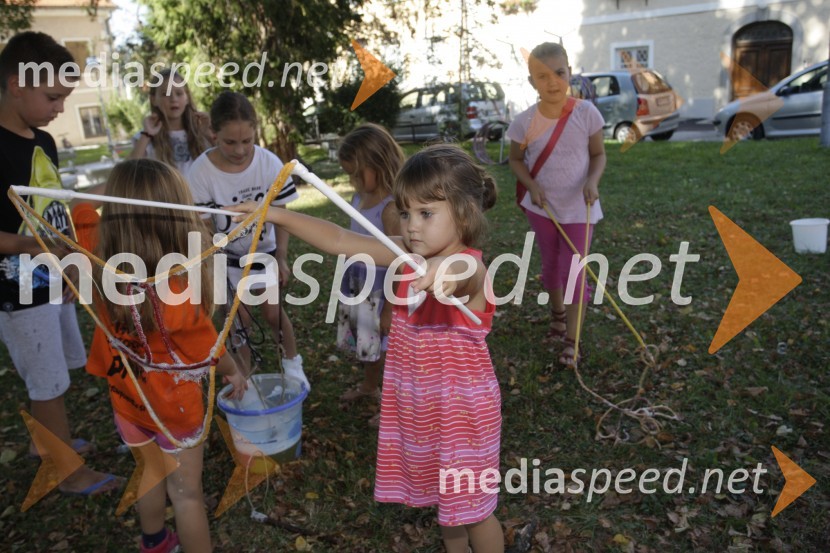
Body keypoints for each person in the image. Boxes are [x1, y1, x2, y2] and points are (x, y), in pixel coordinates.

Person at [228, 144, 504, 553]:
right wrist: (275, 213)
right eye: (407, 212)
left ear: (464, 212)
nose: (411, 225)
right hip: (420, 410)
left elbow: (462, 274)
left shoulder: (469, 268)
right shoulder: (405, 257)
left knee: (474, 510)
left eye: (426, 214)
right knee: (446, 510)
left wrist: (440, 272)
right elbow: (341, 239)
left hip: (462, 416)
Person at [84, 159, 247, 553]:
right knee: (186, 494)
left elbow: (81, 212)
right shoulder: (179, 294)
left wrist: (105, 200)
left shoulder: (92, 261)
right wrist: (235, 373)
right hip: (175, 412)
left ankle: (154, 541)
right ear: (178, 219)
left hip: (127, 403)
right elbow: (211, 353)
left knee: (150, 472)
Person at [0, 31, 121, 495]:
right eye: (52, 97)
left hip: (51, 277)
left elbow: (55, 210)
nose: (59, 108)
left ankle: (44, 446)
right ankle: (67, 471)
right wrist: (33, 250)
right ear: (16, 83)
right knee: (47, 379)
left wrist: (68, 263)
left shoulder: (45, 142)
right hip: (17, 289)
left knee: (55, 368)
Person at [187, 91, 309, 389]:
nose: (240, 150)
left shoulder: (269, 164)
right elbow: (202, 228)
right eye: (230, 142)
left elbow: (281, 215)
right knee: (239, 320)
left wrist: (281, 256)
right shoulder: (200, 172)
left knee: (273, 312)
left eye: (247, 141)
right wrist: (210, 269)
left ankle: (292, 363)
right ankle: (243, 373)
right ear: (213, 133)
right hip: (226, 258)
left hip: (264, 253)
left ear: (256, 131)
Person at [507, 42, 606, 368]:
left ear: (570, 72)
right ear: (532, 80)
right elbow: (516, 160)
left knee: (574, 272)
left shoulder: (587, 113)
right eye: (542, 76)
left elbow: (597, 154)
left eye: (559, 73)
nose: (552, 82)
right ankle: (558, 315)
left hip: (580, 206)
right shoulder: (524, 122)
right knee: (551, 267)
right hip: (543, 207)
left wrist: (592, 181)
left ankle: (572, 341)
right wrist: (532, 185)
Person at [336, 123, 403, 426]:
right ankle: (369, 386)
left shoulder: (390, 210)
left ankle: (394, 406)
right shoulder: (359, 198)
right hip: (359, 283)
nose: (353, 180)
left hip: (383, 289)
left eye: (356, 173)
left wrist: (391, 307)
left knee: (390, 351)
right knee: (370, 344)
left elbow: (402, 263)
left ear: (379, 163)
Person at [129, 68, 213, 174]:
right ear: (153, 100)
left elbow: (227, 162)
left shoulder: (201, 132)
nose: (173, 99)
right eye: (166, 94)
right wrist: (146, 135)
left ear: (187, 97)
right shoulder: (146, 137)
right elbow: (129, 173)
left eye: (179, 93)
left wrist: (210, 135)